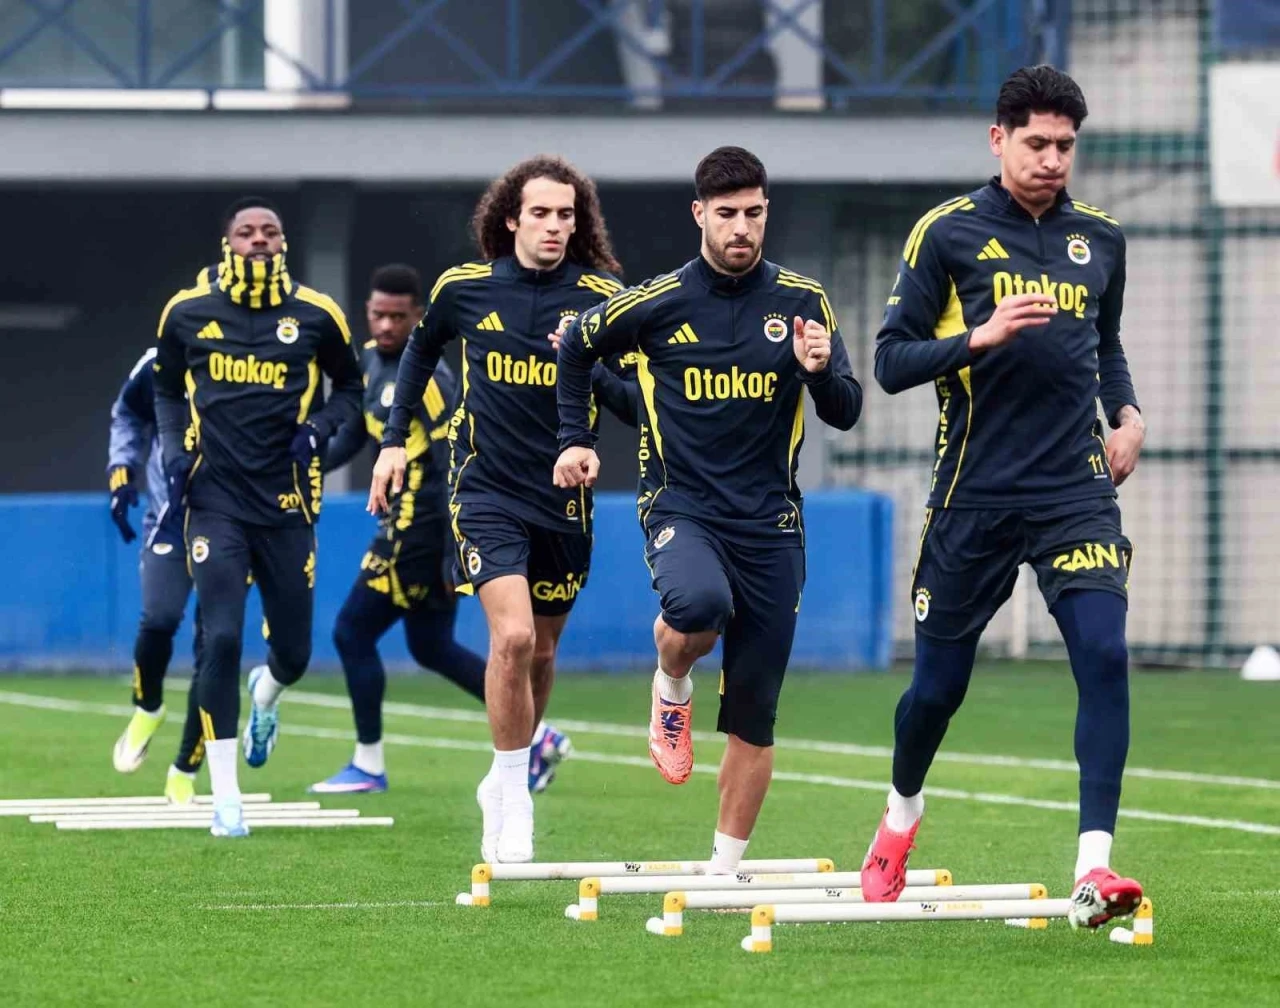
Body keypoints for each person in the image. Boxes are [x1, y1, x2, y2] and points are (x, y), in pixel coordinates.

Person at [859, 65, 1147, 928]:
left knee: (1104, 653)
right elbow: (889, 361)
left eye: (1066, 145)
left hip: (1073, 492)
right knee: (936, 692)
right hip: (972, 497)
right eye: (1037, 143)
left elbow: (1106, 344)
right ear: (998, 139)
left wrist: (1127, 415)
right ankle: (900, 814)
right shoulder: (946, 234)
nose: (1052, 159)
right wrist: (977, 338)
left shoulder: (1102, 239)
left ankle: (1093, 867)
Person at [554, 146, 862, 874]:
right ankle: (672, 685)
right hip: (682, 507)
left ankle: (724, 870)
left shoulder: (803, 302)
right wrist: (575, 439)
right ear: (699, 214)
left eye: (754, 213)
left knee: (756, 709)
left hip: (772, 523)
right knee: (698, 605)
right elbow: (575, 346)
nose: (741, 227)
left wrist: (821, 373)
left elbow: (846, 410)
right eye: (727, 214)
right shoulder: (658, 302)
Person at [368, 155, 634, 863]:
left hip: (566, 500)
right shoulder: (464, 288)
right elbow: (417, 357)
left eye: (566, 215)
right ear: (511, 218)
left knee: (541, 651)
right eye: (540, 213)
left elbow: (637, 405)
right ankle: (515, 795)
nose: (554, 226)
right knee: (511, 639)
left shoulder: (604, 300)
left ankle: (502, 774)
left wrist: (586, 362)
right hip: (484, 490)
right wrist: (392, 444)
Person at [311, 264, 574, 794]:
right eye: (378, 315)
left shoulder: (430, 381)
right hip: (412, 528)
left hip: (421, 529)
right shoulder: (368, 364)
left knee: (351, 632)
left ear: (418, 316)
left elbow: (446, 463)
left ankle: (368, 764)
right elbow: (358, 438)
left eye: (398, 317)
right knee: (431, 645)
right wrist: (306, 462)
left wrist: (447, 547)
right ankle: (538, 735)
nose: (386, 325)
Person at [153, 197, 363, 837]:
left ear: (283, 242)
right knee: (218, 638)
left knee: (294, 654)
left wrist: (319, 429)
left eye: (269, 230)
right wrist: (172, 447)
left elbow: (351, 391)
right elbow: (165, 387)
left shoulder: (317, 314)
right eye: (246, 231)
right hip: (213, 500)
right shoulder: (187, 311)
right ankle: (226, 798)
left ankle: (266, 692)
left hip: (287, 503)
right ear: (228, 243)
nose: (259, 239)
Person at [106, 339, 209, 805]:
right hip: (170, 517)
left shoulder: (257, 355)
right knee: (159, 619)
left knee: (217, 645)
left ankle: (186, 768)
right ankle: (147, 707)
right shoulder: (159, 359)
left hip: (234, 520)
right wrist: (122, 468)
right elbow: (128, 412)